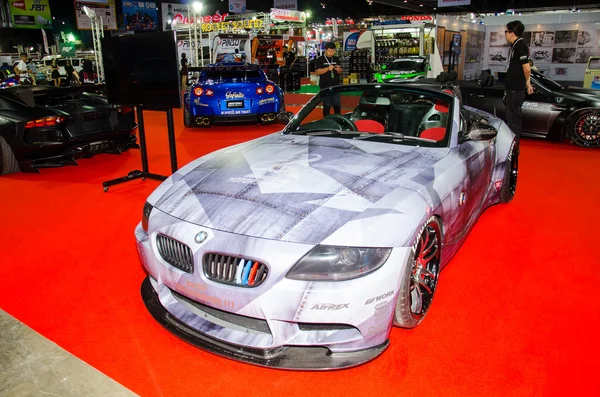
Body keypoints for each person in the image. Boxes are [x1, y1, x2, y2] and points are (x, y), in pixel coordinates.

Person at [504, 20, 534, 150]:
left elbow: (527, 68)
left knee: (514, 118)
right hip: (512, 88)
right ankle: (512, 144)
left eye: (506, 31)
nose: (505, 34)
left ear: (511, 33)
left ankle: (514, 147)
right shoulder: (515, 46)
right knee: (511, 117)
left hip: (516, 89)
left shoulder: (520, 45)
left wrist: (527, 83)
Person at [314, 42, 343, 117]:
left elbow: (340, 72)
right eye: (330, 51)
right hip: (325, 86)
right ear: (325, 50)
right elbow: (317, 72)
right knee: (327, 106)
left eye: (333, 51)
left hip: (335, 86)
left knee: (337, 105)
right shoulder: (320, 59)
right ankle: (326, 121)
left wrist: (338, 70)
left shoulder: (336, 59)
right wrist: (327, 68)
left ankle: (338, 120)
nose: (331, 53)